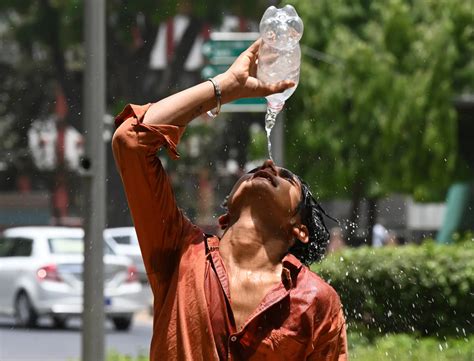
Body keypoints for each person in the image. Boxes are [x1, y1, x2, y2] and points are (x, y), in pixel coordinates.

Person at [112, 39, 347, 361]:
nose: (267, 166)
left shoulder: (315, 299)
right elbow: (130, 141)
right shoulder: (180, 253)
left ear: (300, 228)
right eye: (253, 169)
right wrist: (224, 87)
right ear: (227, 209)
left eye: (286, 177)